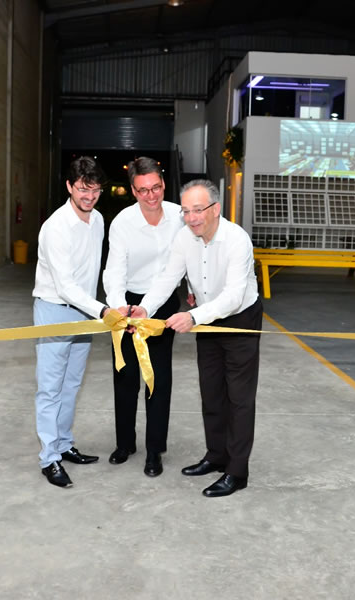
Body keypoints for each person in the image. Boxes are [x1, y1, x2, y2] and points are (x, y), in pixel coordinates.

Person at [132, 179, 261, 498]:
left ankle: (237, 471)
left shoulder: (237, 240)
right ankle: (216, 456)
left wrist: (192, 317)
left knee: (239, 398)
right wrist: (145, 309)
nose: (191, 217)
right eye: (186, 211)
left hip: (240, 318)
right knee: (212, 391)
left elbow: (233, 296)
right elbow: (167, 279)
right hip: (205, 317)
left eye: (198, 210)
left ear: (215, 209)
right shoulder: (184, 238)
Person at [33, 156, 117, 488]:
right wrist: (103, 311)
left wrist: (104, 304)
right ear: (69, 186)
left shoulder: (97, 220)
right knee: (50, 388)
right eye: (83, 189)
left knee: (71, 385)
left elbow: (95, 269)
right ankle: (48, 458)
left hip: (85, 312)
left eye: (95, 190)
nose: (89, 196)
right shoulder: (55, 227)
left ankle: (64, 445)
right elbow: (65, 284)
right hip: (54, 310)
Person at [102, 157, 185, 477]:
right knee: (125, 376)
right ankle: (125, 443)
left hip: (162, 306)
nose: (151, 196)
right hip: (127, 303)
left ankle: (154, 450)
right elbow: (114, 270)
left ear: (164, 184)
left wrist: (190, 288)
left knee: (158, 378)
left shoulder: (179, 216)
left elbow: (186, 258)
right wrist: (118, 306)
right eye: (143, 191)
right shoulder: (123, 222)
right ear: (133, 191)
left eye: (156, 188)